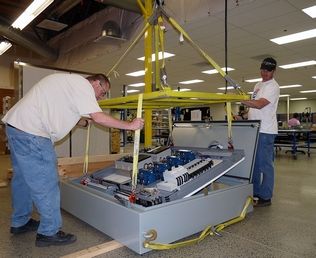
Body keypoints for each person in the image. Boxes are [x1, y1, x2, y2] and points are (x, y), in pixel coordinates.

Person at [1, 73, 144, 247]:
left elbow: (59, 108)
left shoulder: (68, 82)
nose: (101, 97)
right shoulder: (83, 85)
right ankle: (49, 232)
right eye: (103, 92)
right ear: (96, 83)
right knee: (46, 183)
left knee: (22, 179)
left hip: (17, 128)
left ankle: (20, 222)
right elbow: (98, 117)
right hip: (33, 134)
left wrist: (79, 122)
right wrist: (130, 125)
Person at [241, 57, 280, 207]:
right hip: (255, 129)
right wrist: (243, 116)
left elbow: (259, 104)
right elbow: (253, 107)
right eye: (263, 69)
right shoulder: (257, 85)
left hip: (266, 131)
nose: (265, 73)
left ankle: (266, 196)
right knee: (255, 165)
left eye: (268, 71)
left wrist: (240, 99)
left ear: (273, 71)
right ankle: (255, 192)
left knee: (265, 165)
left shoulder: (273, 86)